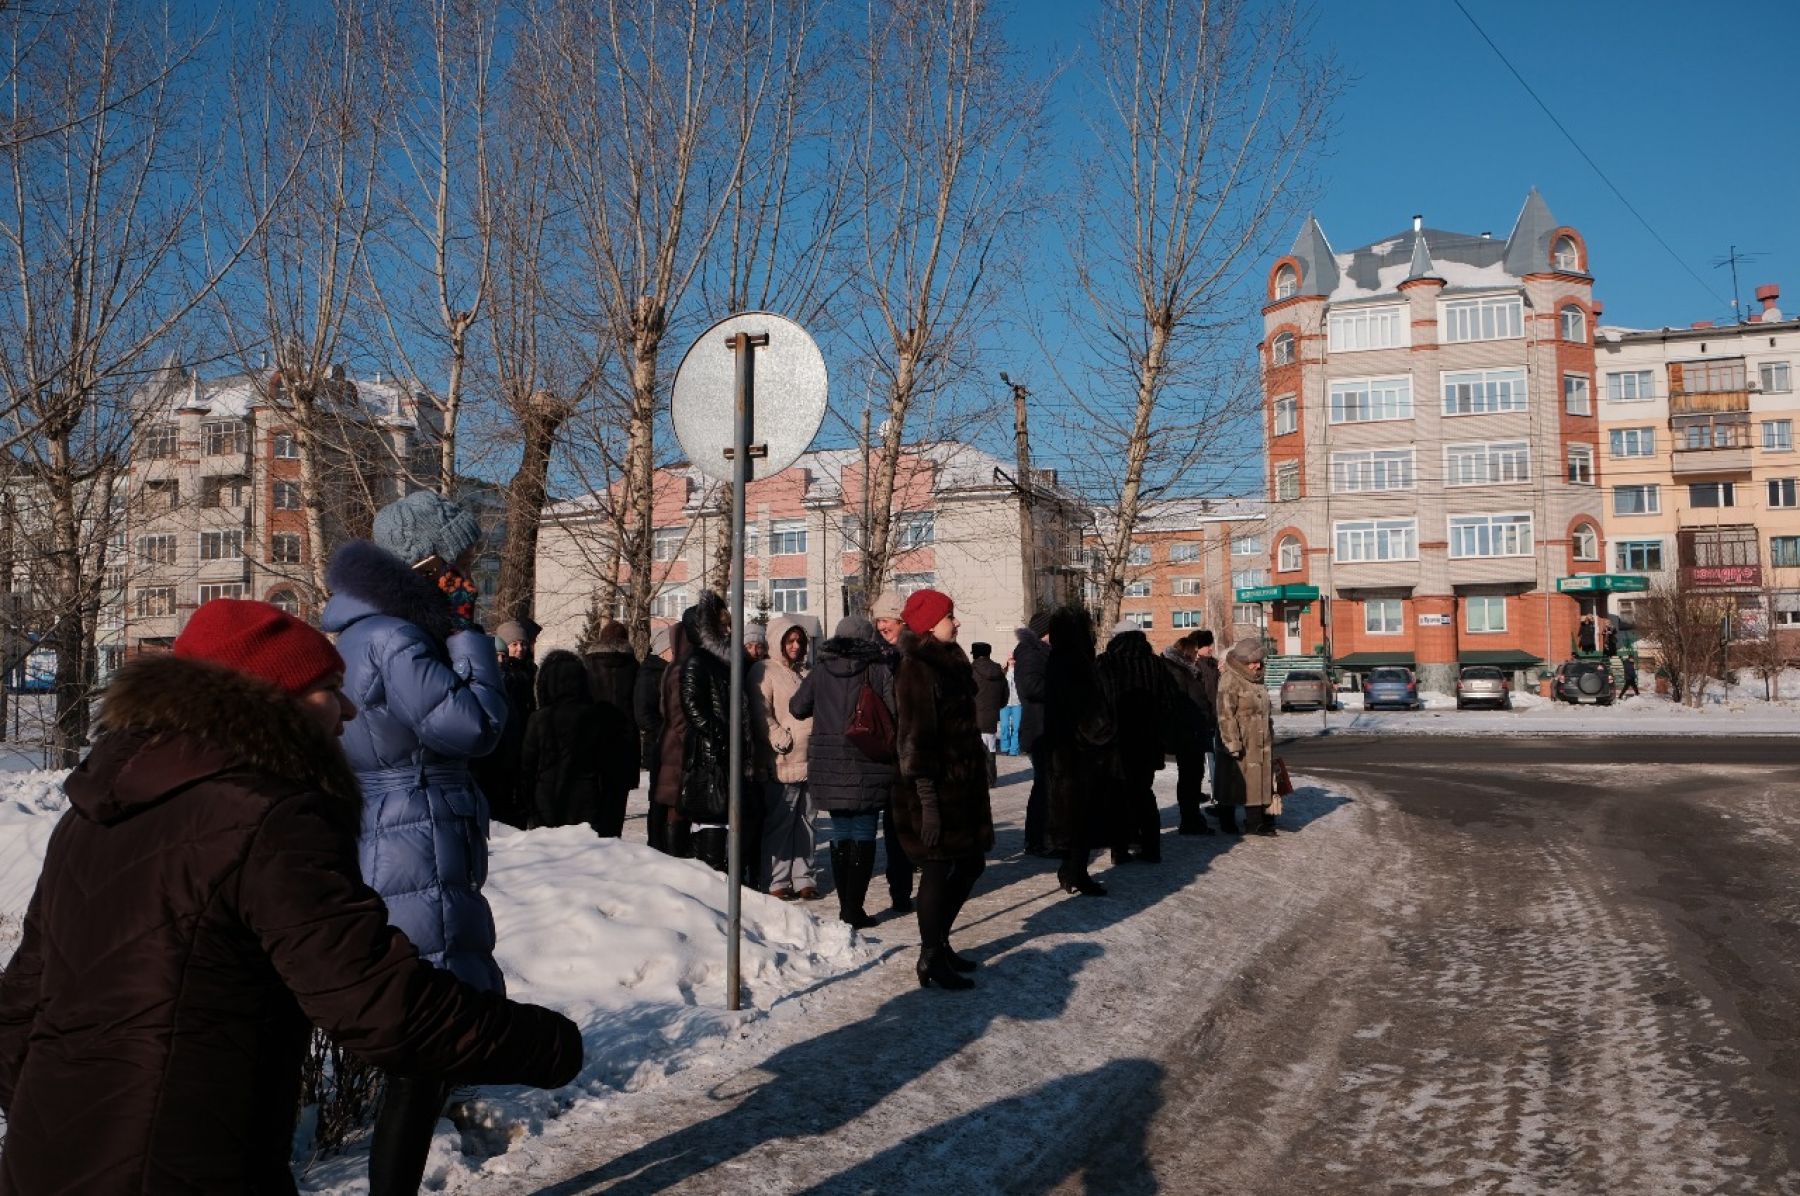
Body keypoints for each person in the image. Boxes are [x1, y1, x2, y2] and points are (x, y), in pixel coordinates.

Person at [0, 599, 583, 1195]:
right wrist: (547, 1044)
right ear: (271, 704)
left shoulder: (92, 811)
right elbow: (377, 1003)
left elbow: (20, 1005)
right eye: (330, 687)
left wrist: (62, 1122)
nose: (350, 708)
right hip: (183, 1164)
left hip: (47, 1155)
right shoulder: (268, 816)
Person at [321, 491, 514, 1196]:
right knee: (424, 1046)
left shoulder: (368, 633)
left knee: (425, 1041)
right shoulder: (396, 640)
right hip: (415, 842)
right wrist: (468, 638)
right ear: (428, 564)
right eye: (461, 564)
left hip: (407, 835)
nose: (469, 577)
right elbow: (475, 727)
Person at [891, 589, 993, 989]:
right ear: (931, 625)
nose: (957, 622)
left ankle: (939, 943)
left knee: (970, 864)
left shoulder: (950, 663)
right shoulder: (917, 668)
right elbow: (915, 741)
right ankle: (930, 956)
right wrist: (928, 804)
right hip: (930, 791)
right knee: (936, 868)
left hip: (960, 789)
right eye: (950, 616)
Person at [791, 615, 897, 929]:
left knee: (840, 833)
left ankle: (845, 908)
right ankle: (854, 909)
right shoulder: (878, 670)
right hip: (867, 758)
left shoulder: (821, 671)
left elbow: (798, 707)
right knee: (863, 832)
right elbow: (893, 712)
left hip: (828, 762)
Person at [675, 592, 754, 877]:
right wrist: (719, 734)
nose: (728, 630)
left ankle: (723, 874)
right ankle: (712, 876)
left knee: (726, 814)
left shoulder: (726, 660)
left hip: (727, 750)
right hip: (711, 754)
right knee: (713, 812)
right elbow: (691, 704)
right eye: (722, 626)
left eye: (728, 625)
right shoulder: (698, 660)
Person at [522, 649, 639, 835]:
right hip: (586, 801)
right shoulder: (596, 717)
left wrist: (527, 804)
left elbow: (528, 767)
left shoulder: (539, 719)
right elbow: (605, 765)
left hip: (545, 801)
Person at [1043, 606, 1114, 895]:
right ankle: (1075, 872)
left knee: (1070, 814)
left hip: (1063, 750)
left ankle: (1072, 870)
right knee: (1081, 814)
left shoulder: (1058, 659)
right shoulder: (1076, 662)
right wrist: (1103, 732)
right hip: (1080, 753)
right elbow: (1087, 710)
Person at [1098, 621, 1178, 863]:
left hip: (1114, 742)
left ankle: (1119, 849)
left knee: (1116, 795)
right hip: (1147, 741)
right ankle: (1151, 848)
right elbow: (1170, 701)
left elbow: (1095, 701)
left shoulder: (1106, 662)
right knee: (1143, 793)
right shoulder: (1155, 663)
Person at [751, 617, 818, 899]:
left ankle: (804, 878)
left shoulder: (802, 673)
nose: (795, 646)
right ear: (778, 642)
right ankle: (776, 881)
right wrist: (780, 738)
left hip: (809, 759)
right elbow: (760, 710)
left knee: (807, 822)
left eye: (799, 641)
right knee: (781, 822)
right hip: (783, 760)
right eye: (789, 641)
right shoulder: (763, 670)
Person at [870, 591, 915, 914]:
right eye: (879, 620)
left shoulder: (912, 654)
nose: (882, 625)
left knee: (907, 823)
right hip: (888, 751)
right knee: (895, 826)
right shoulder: (877, 655)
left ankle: (906, 885)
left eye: (887, 620)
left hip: (911, 748)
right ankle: (900, 891)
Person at [473, 618, 537, 829]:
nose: (520, 649)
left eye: (523, 644)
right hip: (503, 744)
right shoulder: (502, 677)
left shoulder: (529, 671)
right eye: (514, 644)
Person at [1215, 637, 1278, 836]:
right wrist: (1232, 743)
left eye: (1260, 660)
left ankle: (1255, 822)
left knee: (1257, 782)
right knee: (1232, 781)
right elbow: (1225, 714)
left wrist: (1269, 734)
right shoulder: (1229, 679)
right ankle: (1227, 820)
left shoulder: (1258, 678)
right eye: (1253, 661)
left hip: (1259, 741)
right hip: (1240, 740)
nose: (1258, 665)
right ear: (1242, 662)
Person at [1161, 631, 1217, 835]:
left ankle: (1192, 818)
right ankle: (1190, 820)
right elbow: (1184, 704)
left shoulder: (1185, 670)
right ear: (1186, 652)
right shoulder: (1179, 672)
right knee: (1190, 778)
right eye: (1194, 651)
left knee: (1192, 777)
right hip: (1188, 733)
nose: (1197, 655)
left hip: (1192, 731)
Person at [651, 620, 695, 859]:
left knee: (675, 805)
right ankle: (673, 855)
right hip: (677, 749)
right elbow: (678, 713)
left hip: (672, 745)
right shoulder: (680, 669)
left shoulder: (675, 666)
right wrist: (693, 737)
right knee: (675, 805)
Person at [1014, 611, 1053, 855]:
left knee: (1047, 786)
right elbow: (1031, 687)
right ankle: (1037, 840)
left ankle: (1043, 838)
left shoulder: (1040, 652)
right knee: (1044, 786)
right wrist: (1062, 685)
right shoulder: (1031, 652)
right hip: (1039, 729)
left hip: (1044, 727)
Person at [636, 625, 673, 846]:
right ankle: (657, 844)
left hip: (668, 745)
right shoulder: (651, 673)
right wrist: (665, 731)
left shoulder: (669, 670)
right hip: (659, 745)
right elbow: (643, 713)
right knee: (659, 800)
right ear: (664, 649)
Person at [969, 641, 1009, 787]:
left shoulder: (970, 670)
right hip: (991, 717)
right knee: (991, 748)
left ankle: (978, 780)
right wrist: (996, 707)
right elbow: (1005, 695)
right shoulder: (999, 671)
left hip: (973, 716)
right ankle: (991, 780)